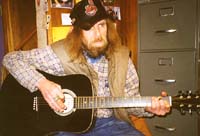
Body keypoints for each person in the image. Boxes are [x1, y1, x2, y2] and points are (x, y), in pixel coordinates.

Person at [2, 0, 170, 136]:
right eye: (88, 28)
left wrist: (148, 107)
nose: (97, 34)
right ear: (77, 32)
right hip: (68, 126)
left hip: (110, 125)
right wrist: (42, 84)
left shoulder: (122, 58)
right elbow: (11, 59)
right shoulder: (60, 53)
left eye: (101, 25)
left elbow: (131, 101)